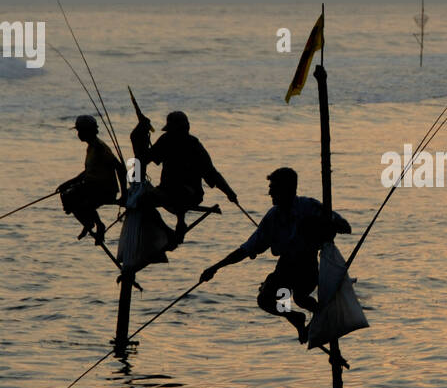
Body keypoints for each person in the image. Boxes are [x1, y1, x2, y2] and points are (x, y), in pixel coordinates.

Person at [199, 167, 351, 343]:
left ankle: (319, 316)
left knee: (301, 298)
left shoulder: (309, 206)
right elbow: (246, 248)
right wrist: (215, 268)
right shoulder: (273, 217)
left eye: (274, 187)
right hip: (285, 268)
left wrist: (326, 225)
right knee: (267, 299)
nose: (269, 192)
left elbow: (344, 226)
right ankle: (296, 318)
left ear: (287, 189)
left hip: (306, 266)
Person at [143, 111, 237, 242]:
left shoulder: (194, 146)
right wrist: (140, 138)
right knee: (142, 200)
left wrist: (229, 193)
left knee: (179, 192)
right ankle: (166, 231)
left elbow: (212, 174)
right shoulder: (166, 140)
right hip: (165, 190)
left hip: (190, 193)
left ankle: (180, 223)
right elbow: (144, 159)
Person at [58, 114, 127, 243]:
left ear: (88, 131)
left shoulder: (99, 148)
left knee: (74, 198)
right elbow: (89, 172)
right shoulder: (90, 147)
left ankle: (96, 225)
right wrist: (69, 182)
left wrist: (124, 195)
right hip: (92, 187)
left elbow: (120, 168)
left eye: (80, 130)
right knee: (66, 195)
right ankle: (91, 224)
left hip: (104, 190)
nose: (78, 133)